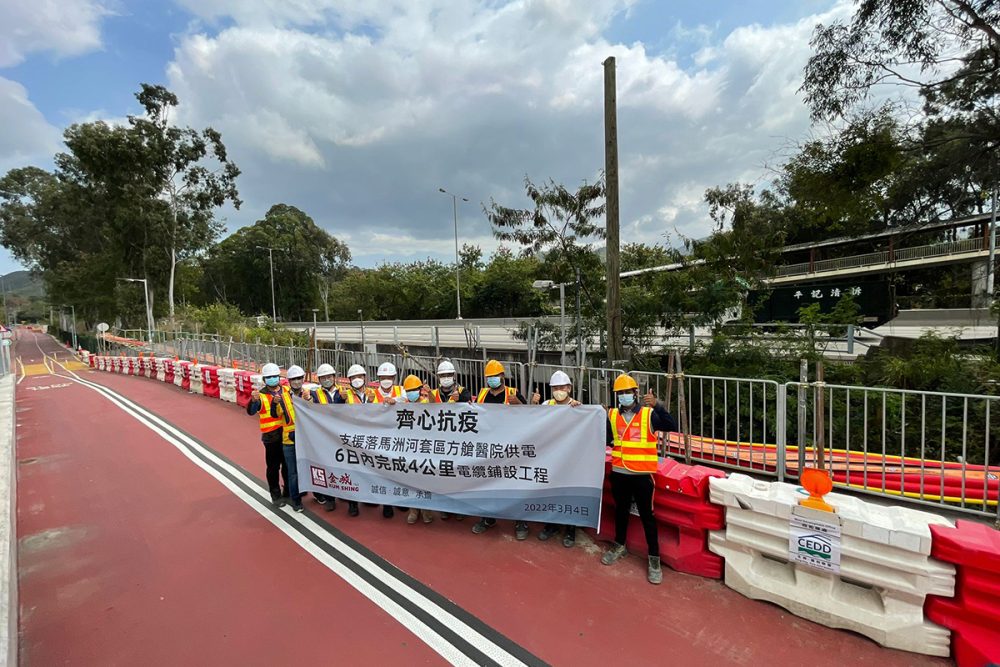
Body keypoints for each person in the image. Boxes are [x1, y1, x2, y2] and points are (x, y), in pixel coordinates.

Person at [601, 374, 678, 585]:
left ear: (635, 393)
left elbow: (671, 425)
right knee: (621, 512)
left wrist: (658, 405)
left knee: (647, 517)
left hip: (642, 476)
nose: (624, 395)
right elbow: (608, 439)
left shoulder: (648, 414)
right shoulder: (612, 414)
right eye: (620, 393)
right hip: (619, 473)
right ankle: (619, 545)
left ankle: (654, 558)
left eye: (627, 392)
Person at [472, 359, 528, 538]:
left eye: (495, 376)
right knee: (488, 483)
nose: (492, 379)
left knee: (514, 483)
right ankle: (488, 517)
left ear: (502, 376)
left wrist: (519, 404)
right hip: (489, 446)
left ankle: (520, 521)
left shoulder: (513, 393)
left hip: (511, 447)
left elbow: (531, 416)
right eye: (489, 377)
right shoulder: (482, 394)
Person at [334, 363, 395, 519]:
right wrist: (340, 400)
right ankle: (353, 504)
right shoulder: (344, 395)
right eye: (353, 377)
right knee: (353, 471)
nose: (357, 379)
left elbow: (381, 412)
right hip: (353, 439)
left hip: (372, 439)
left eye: (359, 376)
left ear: (364, 378)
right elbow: (335, 410)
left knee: (379, 471)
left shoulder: (373, 393)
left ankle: (386, 504)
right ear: (349, 380)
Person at [530, 370, 582, 547]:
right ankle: (551, 525)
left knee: (569, 493)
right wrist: (534, 405)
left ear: (569, 388)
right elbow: (533, 422)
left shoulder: (576, 407)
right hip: (551, 457)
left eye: (562, 387)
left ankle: (570, 529)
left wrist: (580, 410)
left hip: (570, 458)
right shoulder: (546, 404)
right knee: (550, 492)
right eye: (555, 388)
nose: (559, 391)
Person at [246, 362, 289, 507]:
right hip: (271, 437)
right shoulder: (260, 396)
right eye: (269, 377)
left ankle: (288, 490)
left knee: (288, 465)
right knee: (273, 467)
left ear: (279, 377)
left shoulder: (286, 390)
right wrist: (253, 401)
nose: (272, 379)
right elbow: (251, 411)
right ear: (264, 379)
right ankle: (275, 495)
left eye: (274, 376)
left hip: (287, 434)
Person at [273, 364, 308, 512]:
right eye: (294, 379)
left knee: (310, 469)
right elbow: (275, 414)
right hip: (289, 441)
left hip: (307, 440)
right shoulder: (282, 398)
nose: (297, 381)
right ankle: (296, 500)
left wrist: (309, 400)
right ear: (289, 381)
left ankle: (319, 495)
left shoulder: (309, 395)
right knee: (293, 473)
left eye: (299, 378)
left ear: (303, 379)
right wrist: (274, 404)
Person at [308, 363, 338, 512]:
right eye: (323, 377)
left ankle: (349, 498)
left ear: (334, 377)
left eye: (329, 376)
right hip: (323, 438)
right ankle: (330, 499)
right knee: (326, 468)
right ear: (319, 380)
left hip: (340, 438)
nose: (327, 380)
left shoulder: (343, 393)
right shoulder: (314, 395)